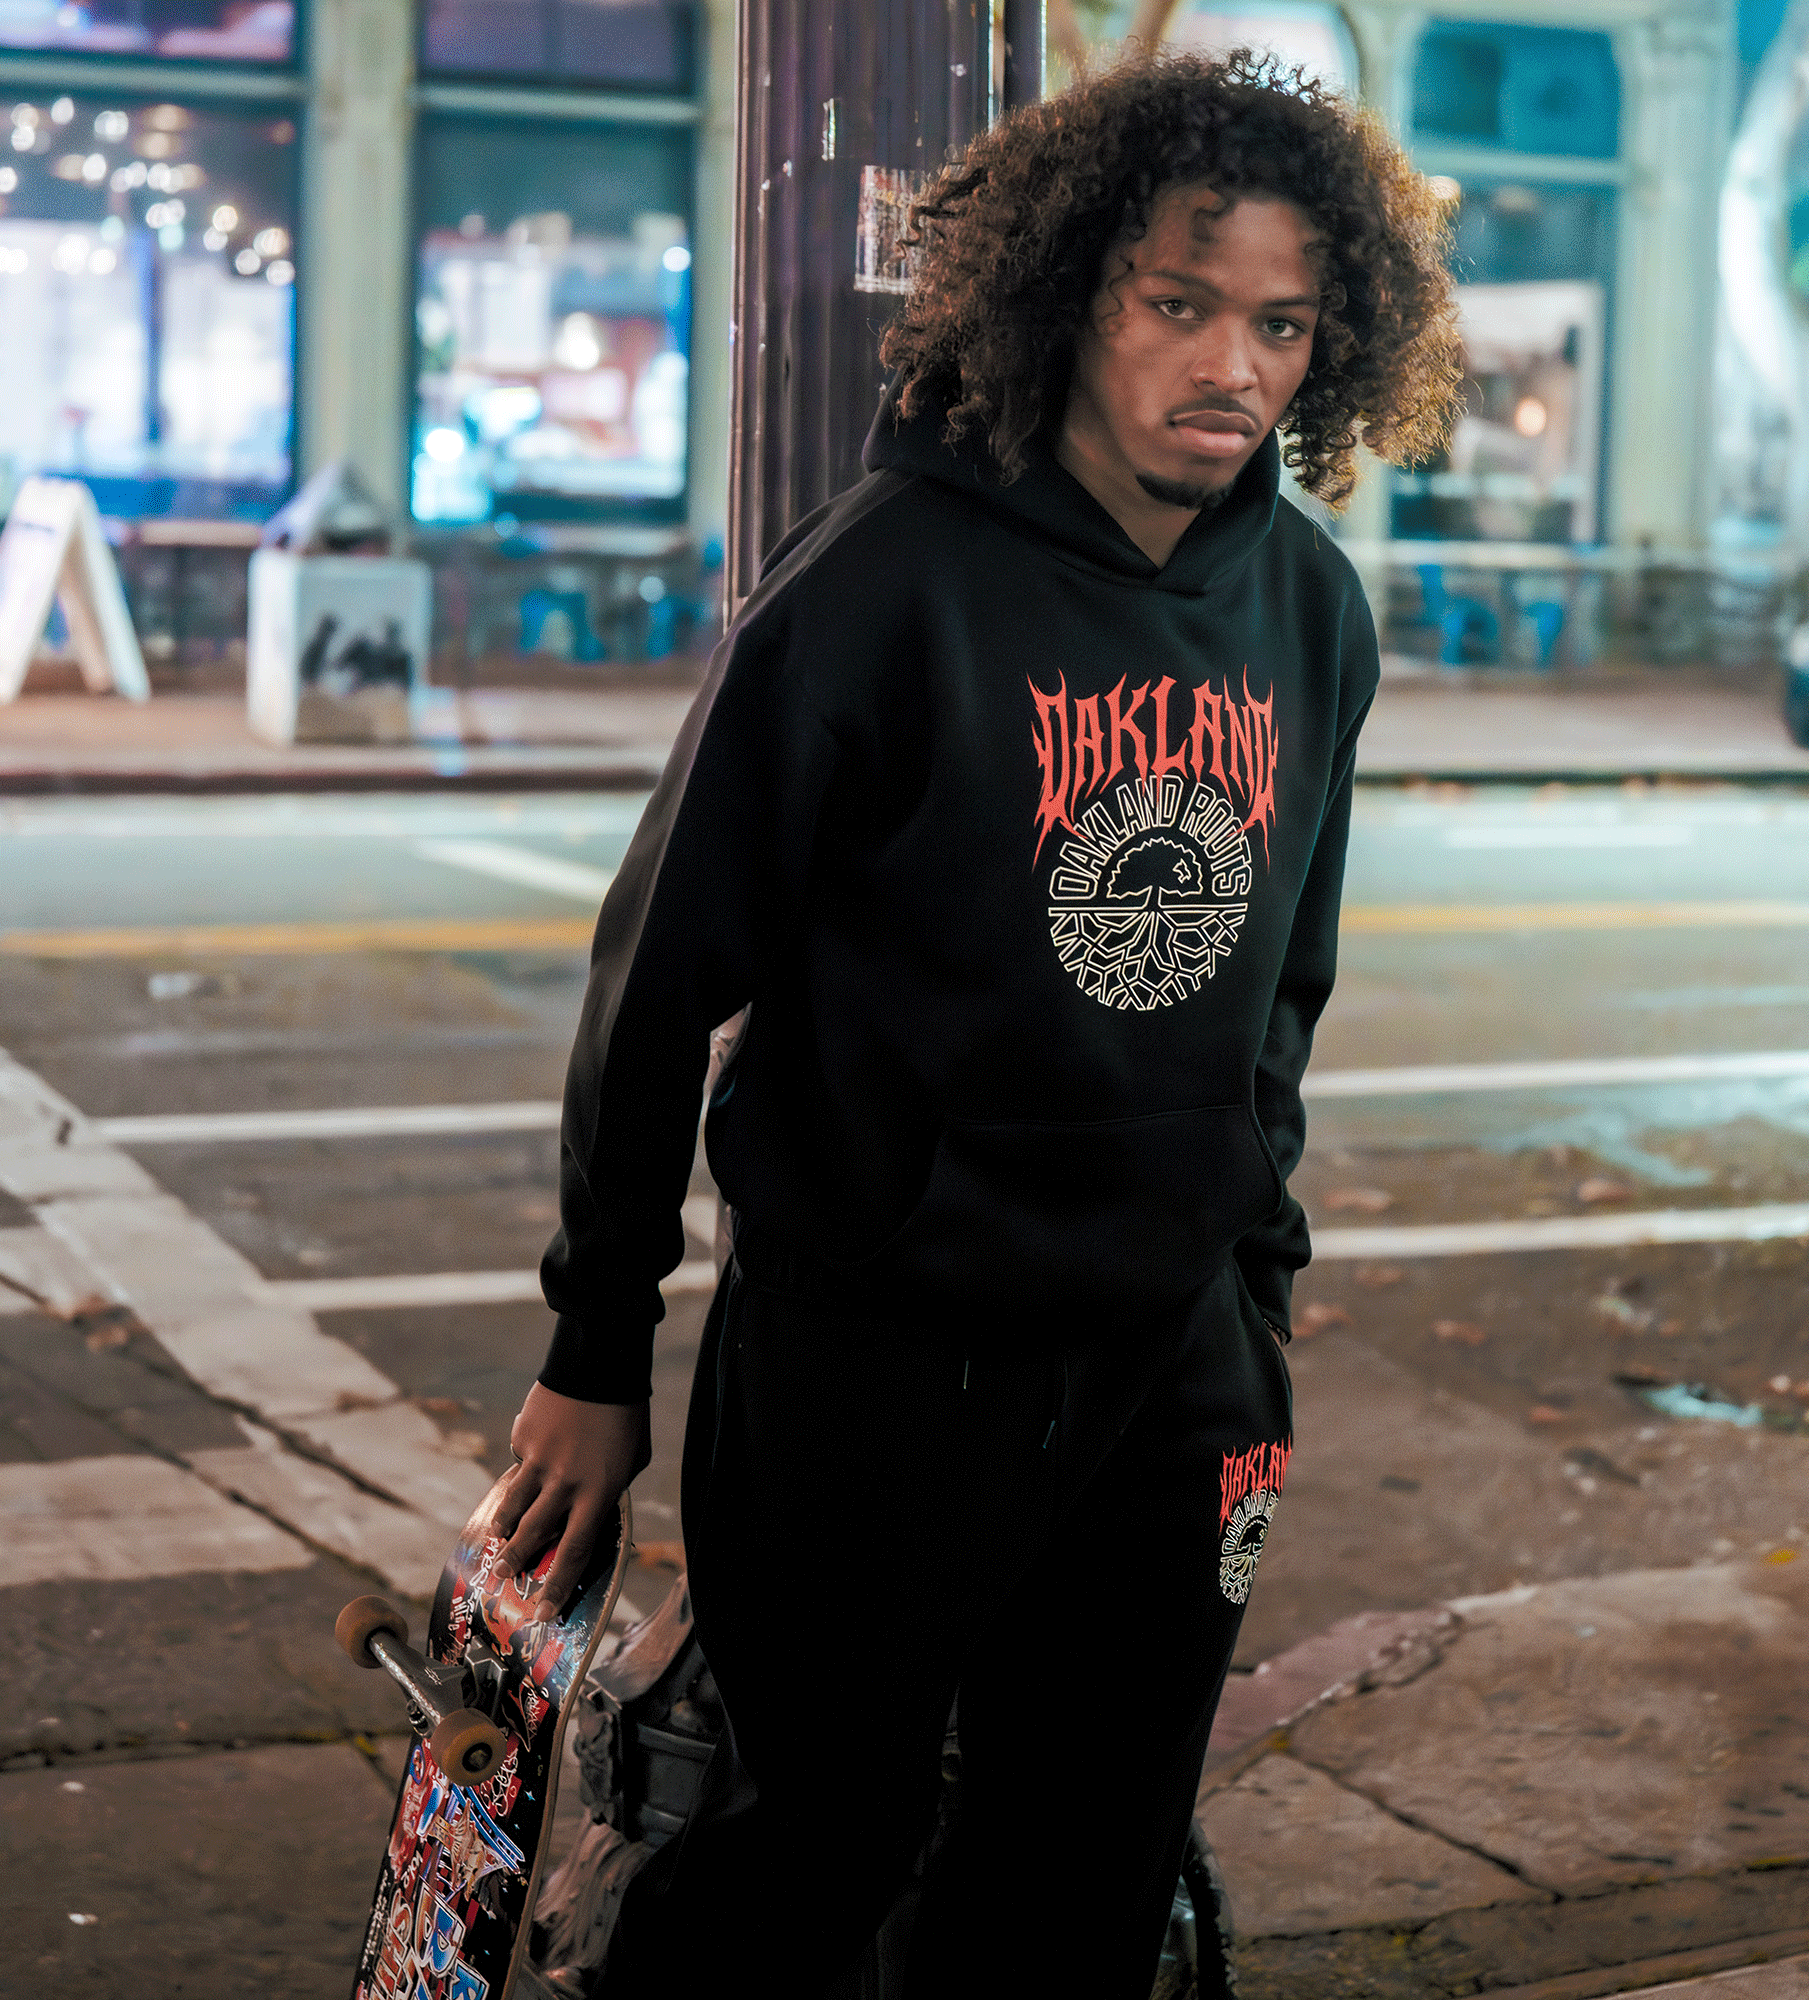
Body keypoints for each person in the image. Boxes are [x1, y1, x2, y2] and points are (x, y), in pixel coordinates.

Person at [494, 45, 1456, 1997]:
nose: (1233, 368)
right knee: (809, 1853)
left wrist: (1251, 1302)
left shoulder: (1313, 611)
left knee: (1081, 1873)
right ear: (1068, 295)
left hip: (1173, 1372)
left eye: (1280, 322)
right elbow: (658, 974)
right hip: (876, 1364)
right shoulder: (879, 588)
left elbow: (1284, 994)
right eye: (1176, 306)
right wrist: (597, 1345)